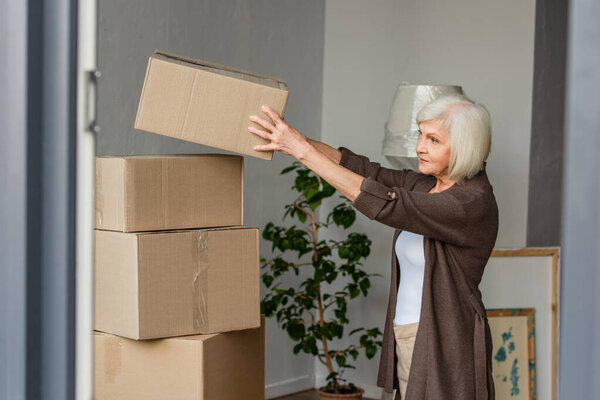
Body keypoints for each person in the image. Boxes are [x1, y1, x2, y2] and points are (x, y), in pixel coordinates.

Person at [248, 93, 498, 400]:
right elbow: (366, 171)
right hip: (410, 333)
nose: (420, 146)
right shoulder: (428, 184)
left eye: (433, 139)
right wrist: (294, 140)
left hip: (445, 339)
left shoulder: (470, 204)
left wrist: (301, 152)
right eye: (420, 135)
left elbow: (384, 203)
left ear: (464, 147)